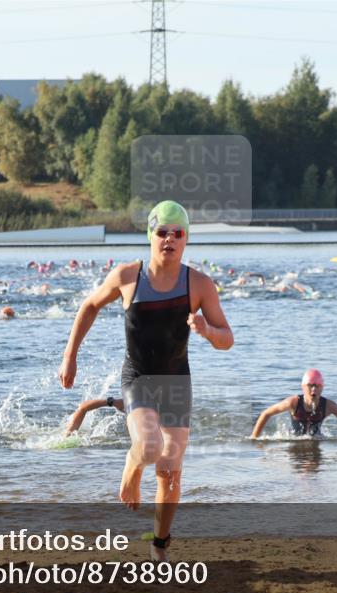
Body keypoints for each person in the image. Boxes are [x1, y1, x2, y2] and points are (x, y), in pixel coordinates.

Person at [58, 200, 233, 562]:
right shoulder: (127, 277)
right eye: (162, 232)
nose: (169, 239)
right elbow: (89, 306)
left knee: (170, 472)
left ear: (186, 240)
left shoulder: (198, 284)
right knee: (150, 447)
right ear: (150, 236)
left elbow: (227, 339)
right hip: (138, 376)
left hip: (176, 383)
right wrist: (70, 356)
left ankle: (160, 544)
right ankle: (132, 466)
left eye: (177, 233)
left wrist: (206, 330)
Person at [250, 368, 337, 440]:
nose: (313, 390)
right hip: (294, 441)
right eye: (310, 386)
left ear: (322, 387)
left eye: (317, 386)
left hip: (316, 440)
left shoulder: (329, 406)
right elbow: (266, 413)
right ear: (303, 387)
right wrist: (254, 438)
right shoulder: (293, 402)